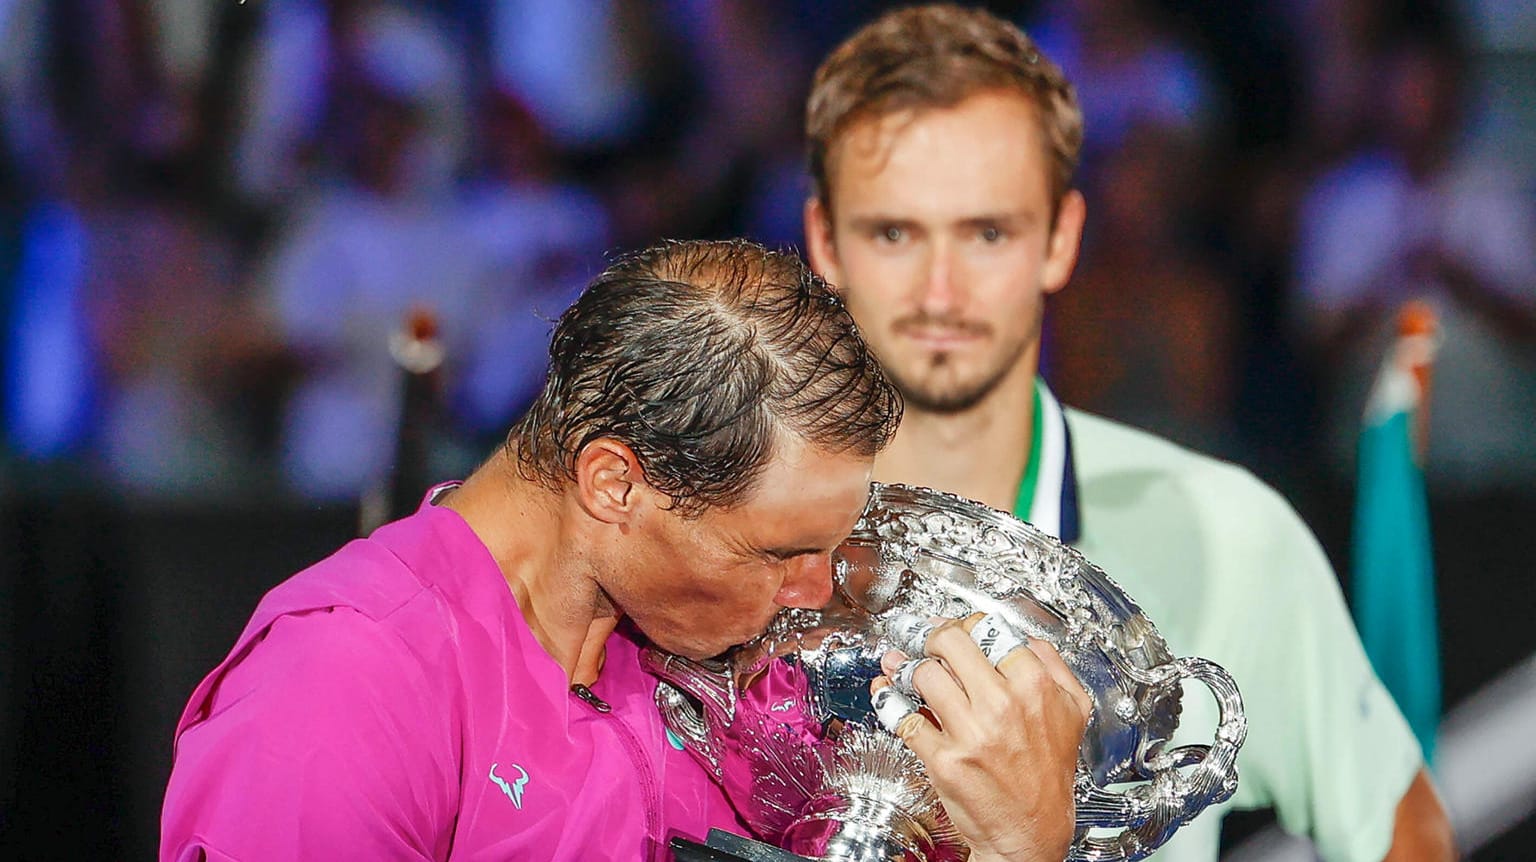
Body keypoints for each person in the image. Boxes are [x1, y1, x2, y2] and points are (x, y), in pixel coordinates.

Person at [160, 238, 1092, 861]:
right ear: (615, 484)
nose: (815, 592)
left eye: (832, 546)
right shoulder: (349, 678)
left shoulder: (757, 681)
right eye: (779, 552)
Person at [800, 6, 1455, 861]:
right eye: (894, 233)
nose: (940, 289)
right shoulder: (748, 531)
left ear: (1062, 238)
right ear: (824, 241)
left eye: (987, 232)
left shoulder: (1231, 533)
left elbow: (1406, 837)